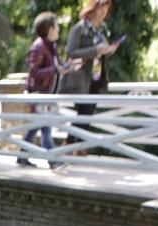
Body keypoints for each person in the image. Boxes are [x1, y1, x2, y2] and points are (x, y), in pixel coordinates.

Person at [56, 0, 120, 150]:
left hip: (97, 77)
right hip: (80, 79)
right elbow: (71, 53)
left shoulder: (102, 29)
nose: (103, 13)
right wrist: (95, 51)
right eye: (100, 9)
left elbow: (101, 52)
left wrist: (109, 50)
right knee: (83, 112)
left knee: (88, 114)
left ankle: (77, 147)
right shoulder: (78, 29)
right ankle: (70, 146)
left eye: (106, 9)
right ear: (92, 9)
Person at [19, 12, 73, 169]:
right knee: (46, 128)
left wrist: (67, 67)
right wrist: (55, 69)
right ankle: (53, 159)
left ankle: (22, 156)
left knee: (35, 127)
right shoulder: (38, 47)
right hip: (39, 94)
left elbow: (55, 68)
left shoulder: (51, 46)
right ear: (49, 29)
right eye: (57, 27)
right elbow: (34, 73)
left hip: (47, 94)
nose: (59, 30)